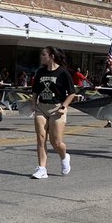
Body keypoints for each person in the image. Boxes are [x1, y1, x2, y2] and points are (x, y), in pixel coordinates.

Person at [30, 46, 75, 179]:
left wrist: (64, 106)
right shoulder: (40, 72)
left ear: (51, 56)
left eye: (44, 55)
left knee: (56, 142)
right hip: (41, 108)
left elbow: (72, 93)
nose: (41, 57)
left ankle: (64, 156)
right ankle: (42, 169)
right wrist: (34, 103)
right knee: (41, 138)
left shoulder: (63, 73)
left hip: (57, 109)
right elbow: (35, 90)